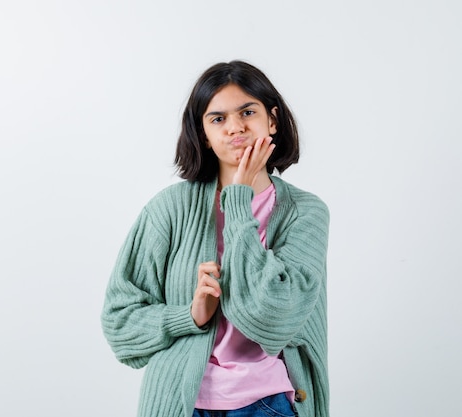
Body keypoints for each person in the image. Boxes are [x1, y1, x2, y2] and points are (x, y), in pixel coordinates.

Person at [101, 60, 330, 417]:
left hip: (268, 404)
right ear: (204, 135)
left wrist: (238, 199)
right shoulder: (169, 209)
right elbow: (120, 321)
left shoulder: (306, 213)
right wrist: (189, 316)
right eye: (218, 118)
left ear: (272, 120)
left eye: (247, 112)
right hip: (180, 404)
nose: (235, 127)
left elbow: (276, 317)